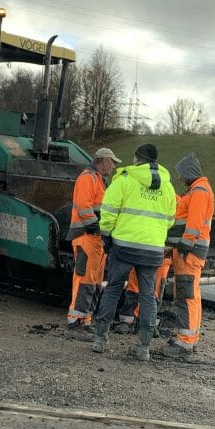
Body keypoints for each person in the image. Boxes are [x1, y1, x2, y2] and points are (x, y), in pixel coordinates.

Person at [92, 143, 176, 361]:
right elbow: (170, 220)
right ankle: (143, 347)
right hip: (153, 249)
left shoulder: (124, 180)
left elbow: (108, 212)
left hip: (124, 246)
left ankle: (100, 339)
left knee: (113, 289)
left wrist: (107, 236)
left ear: (137, 159)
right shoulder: (167, 187)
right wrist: (152, 236)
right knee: (148, 295)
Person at [159, 152, 214, 361]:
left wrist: (185, 243)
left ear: (189, 173)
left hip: (189, 252)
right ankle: (189, 338)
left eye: (181, 174)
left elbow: (194, 222)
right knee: (191, 295)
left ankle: (185, 343)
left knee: (186, 295)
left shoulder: (199, 192)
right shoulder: (198, 190)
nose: (180, 178)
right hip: (191, 251)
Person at [65, 147, 120, 340]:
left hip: (95, 239)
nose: (113, 166)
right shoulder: (88, 178)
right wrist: (99, 229)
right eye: (112, 162)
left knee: (94, 281)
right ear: (103, 161)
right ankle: (75, 323)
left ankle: (85, 319)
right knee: (84, 280)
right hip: (87, 236)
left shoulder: (96, 179)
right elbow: (84, 208)